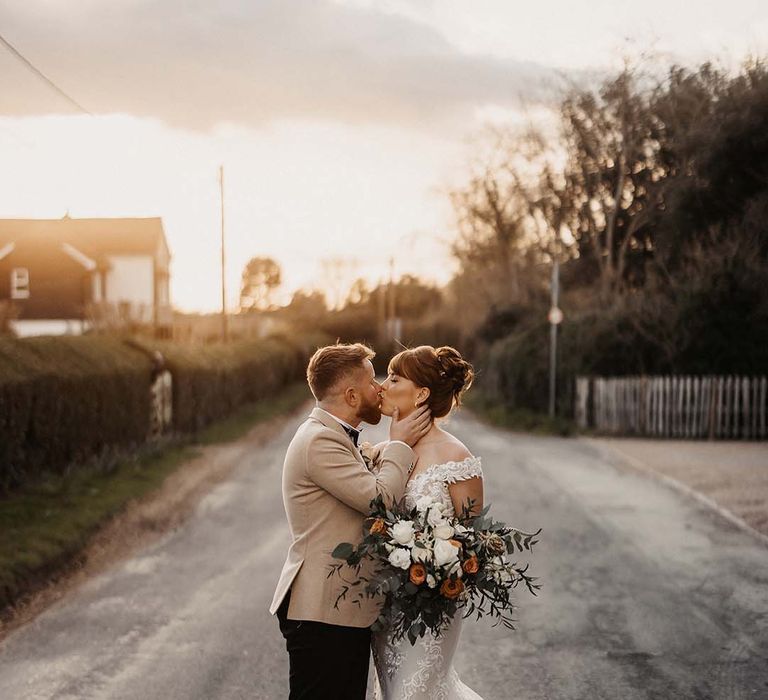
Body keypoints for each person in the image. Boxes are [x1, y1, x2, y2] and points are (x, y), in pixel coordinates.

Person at [270, 342, 432, 700]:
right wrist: (400, 443)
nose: (380, 389)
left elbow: (366, 464)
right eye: (373, 381)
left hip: (340, 612)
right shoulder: (319, 441)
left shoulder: (336, 437)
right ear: (351, 394)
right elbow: (380, 500)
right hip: (322, 612)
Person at [372, 345, 484, 700]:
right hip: (386, 605)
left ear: (420, 394)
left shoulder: (456, 457)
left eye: (393, 377)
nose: (382, 385)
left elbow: (473, 544)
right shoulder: (382, 452)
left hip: (434, 605)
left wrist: (438, 570)